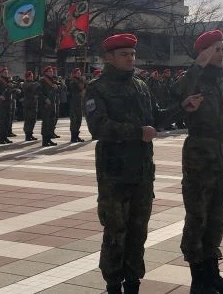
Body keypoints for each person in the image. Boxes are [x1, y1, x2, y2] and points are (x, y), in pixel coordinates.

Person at [84, 33, 203, 294]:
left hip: (142, 173)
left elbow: (156, 118)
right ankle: (114, 285)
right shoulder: (98, 88)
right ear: (109, 58)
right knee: (116, 233)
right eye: (124, 54)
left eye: (133, 54)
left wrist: (183, 107)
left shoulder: (140, 85)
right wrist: (137, 132)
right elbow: (98, 126)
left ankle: (133, 284)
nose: (130, 58)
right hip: (115, 175)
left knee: (139, 233)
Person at [172, 29, 223, 294]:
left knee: (216, 218)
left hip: (222, 160)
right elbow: (176, 92)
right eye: (216, 49)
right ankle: (198, 277)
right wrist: (198, 64)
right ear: (203, 52)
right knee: (197, 218)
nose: (221, 53)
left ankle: (213, 274)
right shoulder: (193, 79)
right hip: (199, 160)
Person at [0, 67, 16, 144]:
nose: (6, 74)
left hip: (8, 103)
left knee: (7, 121)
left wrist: (15, 89)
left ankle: (5, 137)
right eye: (5, 72)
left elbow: (10, 91)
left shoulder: (8, 81)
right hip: (1, 104)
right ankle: (1, 138)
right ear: (1, 73)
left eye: (7, 72)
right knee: (2, 121)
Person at [39, 66, 59, 147]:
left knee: (51, 121)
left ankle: (49, 139)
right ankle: (45, 140)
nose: (52, 73)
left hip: (52, 103)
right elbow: (39, 92)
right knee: (46, 122)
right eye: (50, 71)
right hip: (46, 104)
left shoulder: (53, 80)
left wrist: (57, 87)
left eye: (52, 71)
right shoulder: (42, 80)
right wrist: (45, 99)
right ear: (46, 72)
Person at [67, 68, 86, 143]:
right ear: (74, 74)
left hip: (79, 102)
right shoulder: (72, 81)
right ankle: (73, 137)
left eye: (79, 73)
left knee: (79, 119)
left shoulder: (80, 81)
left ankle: (77, 135)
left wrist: (83, 82)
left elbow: (85, 88)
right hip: (74, 103)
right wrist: (82, 83)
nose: (79, 74)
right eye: (77, 73)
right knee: (74, 120)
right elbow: (79, 88)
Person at [21, 71, 40, 141]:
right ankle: (27, 135)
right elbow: (30, 87)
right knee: (28, 119)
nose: (32, 77)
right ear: (27, 77)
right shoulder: (25, 83)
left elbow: (37, 89)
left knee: (33, 119)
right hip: (28, 104)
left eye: (32, 76)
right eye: (30, 76)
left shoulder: (33, 83)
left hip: (33, 103)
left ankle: (30, 133)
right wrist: (37, 83)